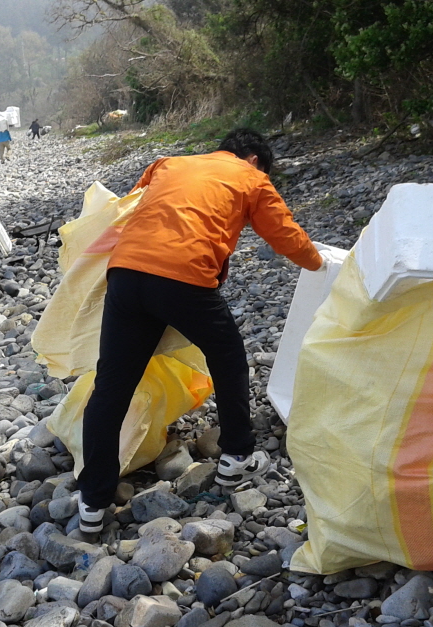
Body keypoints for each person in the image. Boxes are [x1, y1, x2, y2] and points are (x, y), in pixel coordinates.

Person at [75, 128, 326, 534]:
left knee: (112, 386)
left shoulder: (170, 164)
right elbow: (284, 235)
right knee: (228, 357)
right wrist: (322, 265)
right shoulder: (252, 178)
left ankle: (92, 502)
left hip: (126, 274)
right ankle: (237, 458)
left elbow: (132, 206)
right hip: (184, 278)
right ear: (255, 159)